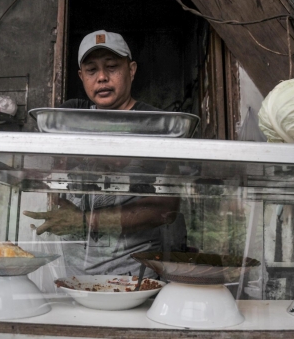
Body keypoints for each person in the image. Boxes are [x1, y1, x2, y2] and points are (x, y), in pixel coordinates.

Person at [24, 30, 185, 278]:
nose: (102, 77)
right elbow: (48, 173)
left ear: (131, 70)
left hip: (135, 272)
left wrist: (82, 221)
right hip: (75, 273)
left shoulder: (157, 126)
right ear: (81, 76)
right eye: (91, 70)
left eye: (111, 67)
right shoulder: (68, 120)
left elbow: (166, 208)